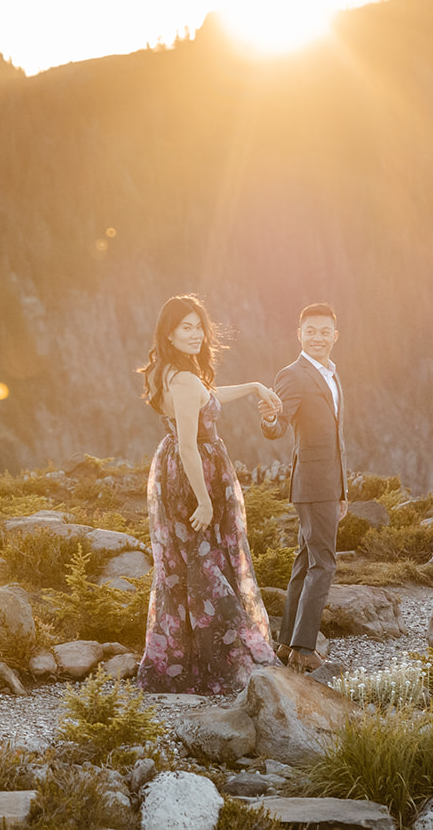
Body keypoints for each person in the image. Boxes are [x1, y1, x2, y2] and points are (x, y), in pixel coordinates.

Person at [136, 294, 282, 694]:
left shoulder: (177, 373)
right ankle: (222, 662)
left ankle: (189, 661)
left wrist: (253, 386)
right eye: (186, 326)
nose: (196, 333)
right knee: (206, 565)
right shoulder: (182, 379)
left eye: (199, 326)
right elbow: (187, 444)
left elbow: (209, 398)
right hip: (192, 472)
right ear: (169, 332)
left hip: (185, 469)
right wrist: (203, 499)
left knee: (191, 564)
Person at [259, 303, 347, 673]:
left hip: (327, 483)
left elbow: (336, 438)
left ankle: (284, 644)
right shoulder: (293, 375)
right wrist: (269, 420)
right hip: (312, 483)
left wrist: (343, 490)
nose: (318, 338)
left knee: (303, 562)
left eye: (324, 331)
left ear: (334, 336)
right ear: (299, 334)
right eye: (310, 331)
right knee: (323, 564)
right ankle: (304, 648)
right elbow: (280, 425)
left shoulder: (331, 373)